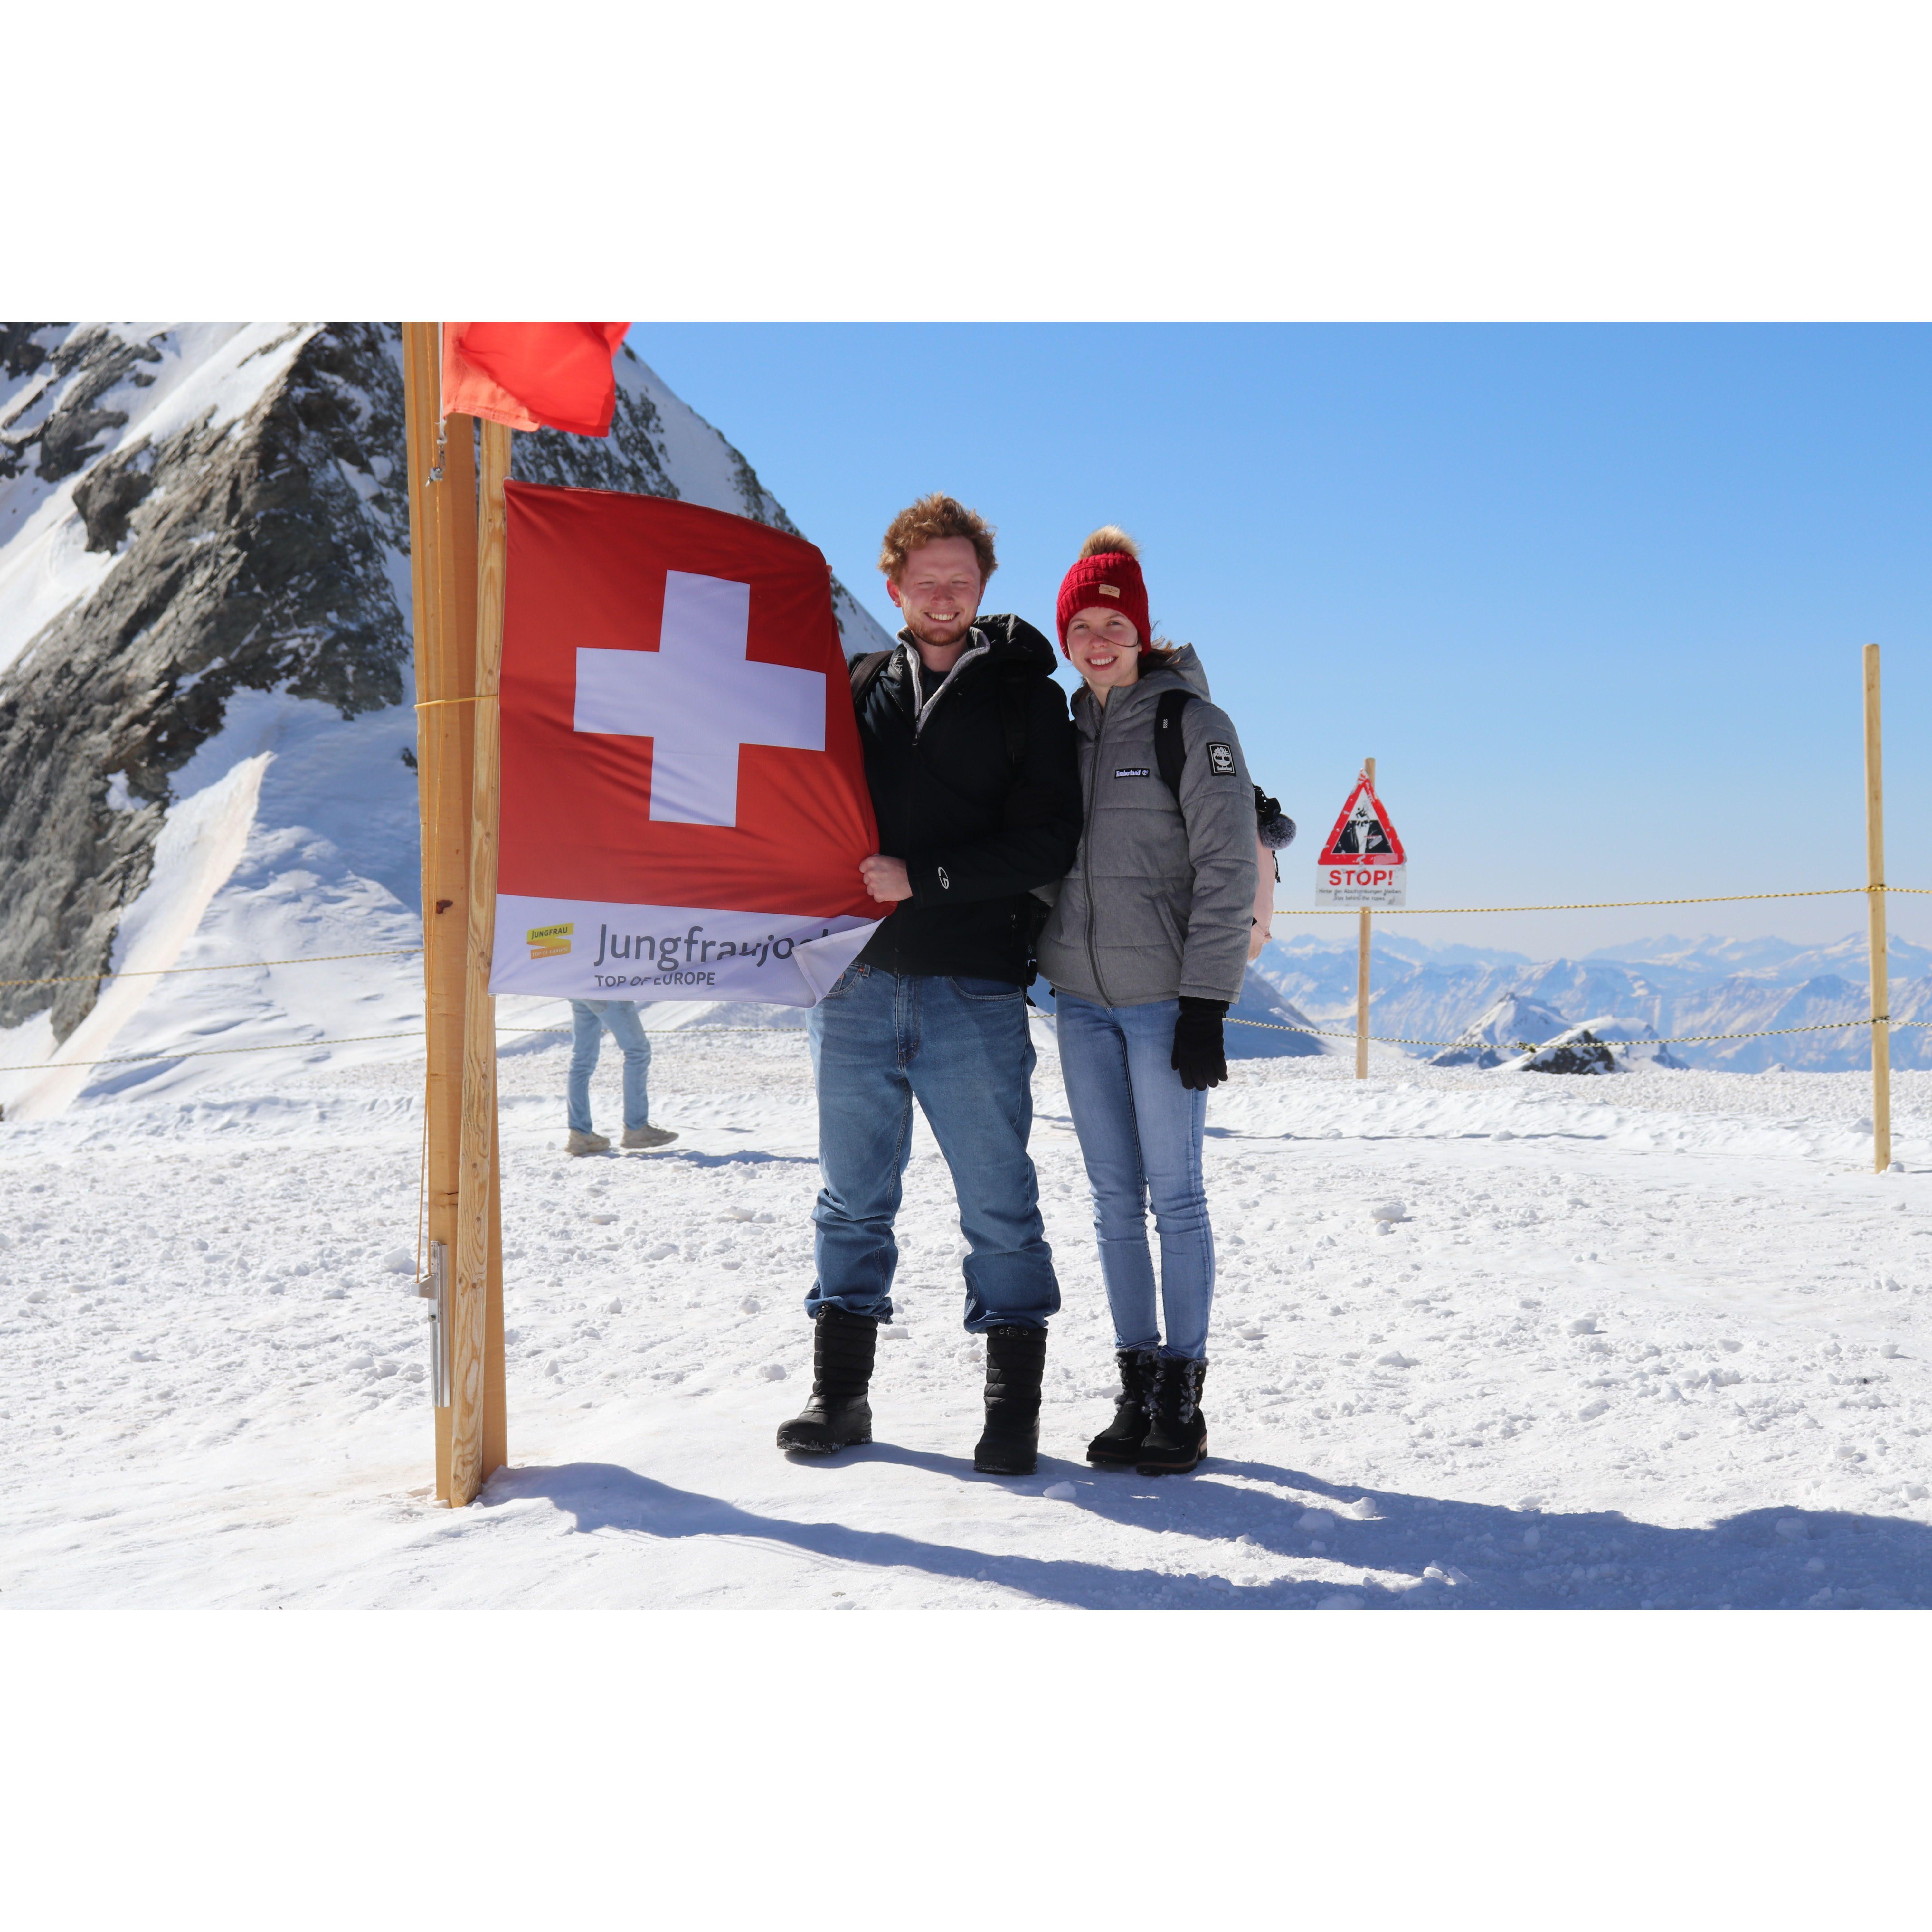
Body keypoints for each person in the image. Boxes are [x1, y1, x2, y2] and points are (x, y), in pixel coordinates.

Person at [777, 494, 1082, 1475]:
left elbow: (1048, 839)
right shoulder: (857, 683)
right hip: (857, 984)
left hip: (973, 987)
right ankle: (840, 1394)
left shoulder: (1026, 697)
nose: (943, 595)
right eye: (925, 579)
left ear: (983, 585)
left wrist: (927, 878)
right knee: (849, 1200)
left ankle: (1010, 1411)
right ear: (892, 584)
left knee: (997, 1198)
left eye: (961, 579)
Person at [1033, 528, 1257, 1475]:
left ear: (1142, 628)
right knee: (1111, 1203)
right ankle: (1133, 1389)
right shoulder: (1060, 728)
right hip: (1078, 1003)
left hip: (1164, 1003)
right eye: (1080, 624)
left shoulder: (1189, 726)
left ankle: (1182, 1396)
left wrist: (1206, 1001)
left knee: (1176, 1196)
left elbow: (1227, 867)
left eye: (1113, 622)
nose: (1096, 639)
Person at [564, 999, 677, 1155]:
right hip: (607, 988)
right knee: (637, 1052)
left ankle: (579, 1133)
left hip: (580, 988)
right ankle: (636, 1128)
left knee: (581, 1061)